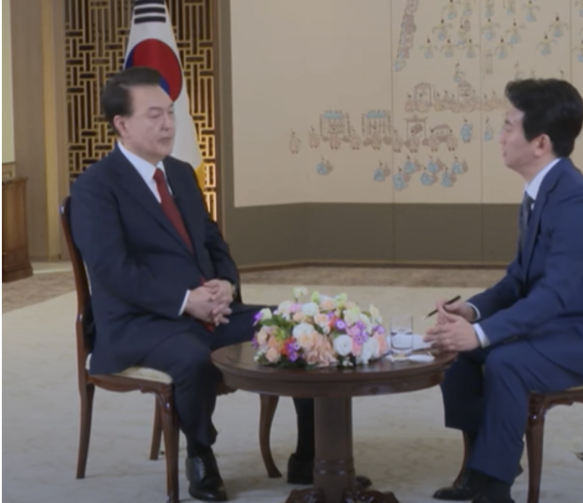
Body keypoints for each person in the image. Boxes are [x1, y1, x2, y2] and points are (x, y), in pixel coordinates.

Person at [69, 67, 368, 502]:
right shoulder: (95, 186)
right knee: (192, 359)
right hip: (141, 322)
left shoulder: (181, 173)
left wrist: (226, 283)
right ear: (122, 124)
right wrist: (184, 301)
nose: (168, 124)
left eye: (170, 112)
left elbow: (212, 240)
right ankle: (200, 456)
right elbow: (113, 271)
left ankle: (310, 456)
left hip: (209, 310)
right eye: (154, 115)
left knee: (298, 331)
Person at [424, 78, 583, 503]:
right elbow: (517, 281)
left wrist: (481, 334)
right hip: (559, 327)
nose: (500, 136)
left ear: (540, 142)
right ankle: (482, 467)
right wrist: (471, 313)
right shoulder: (540, 191)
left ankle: (496, 488)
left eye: (508, 126)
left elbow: (554, 295)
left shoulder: (575, 200)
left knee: (506, 361)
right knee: (458, 353)